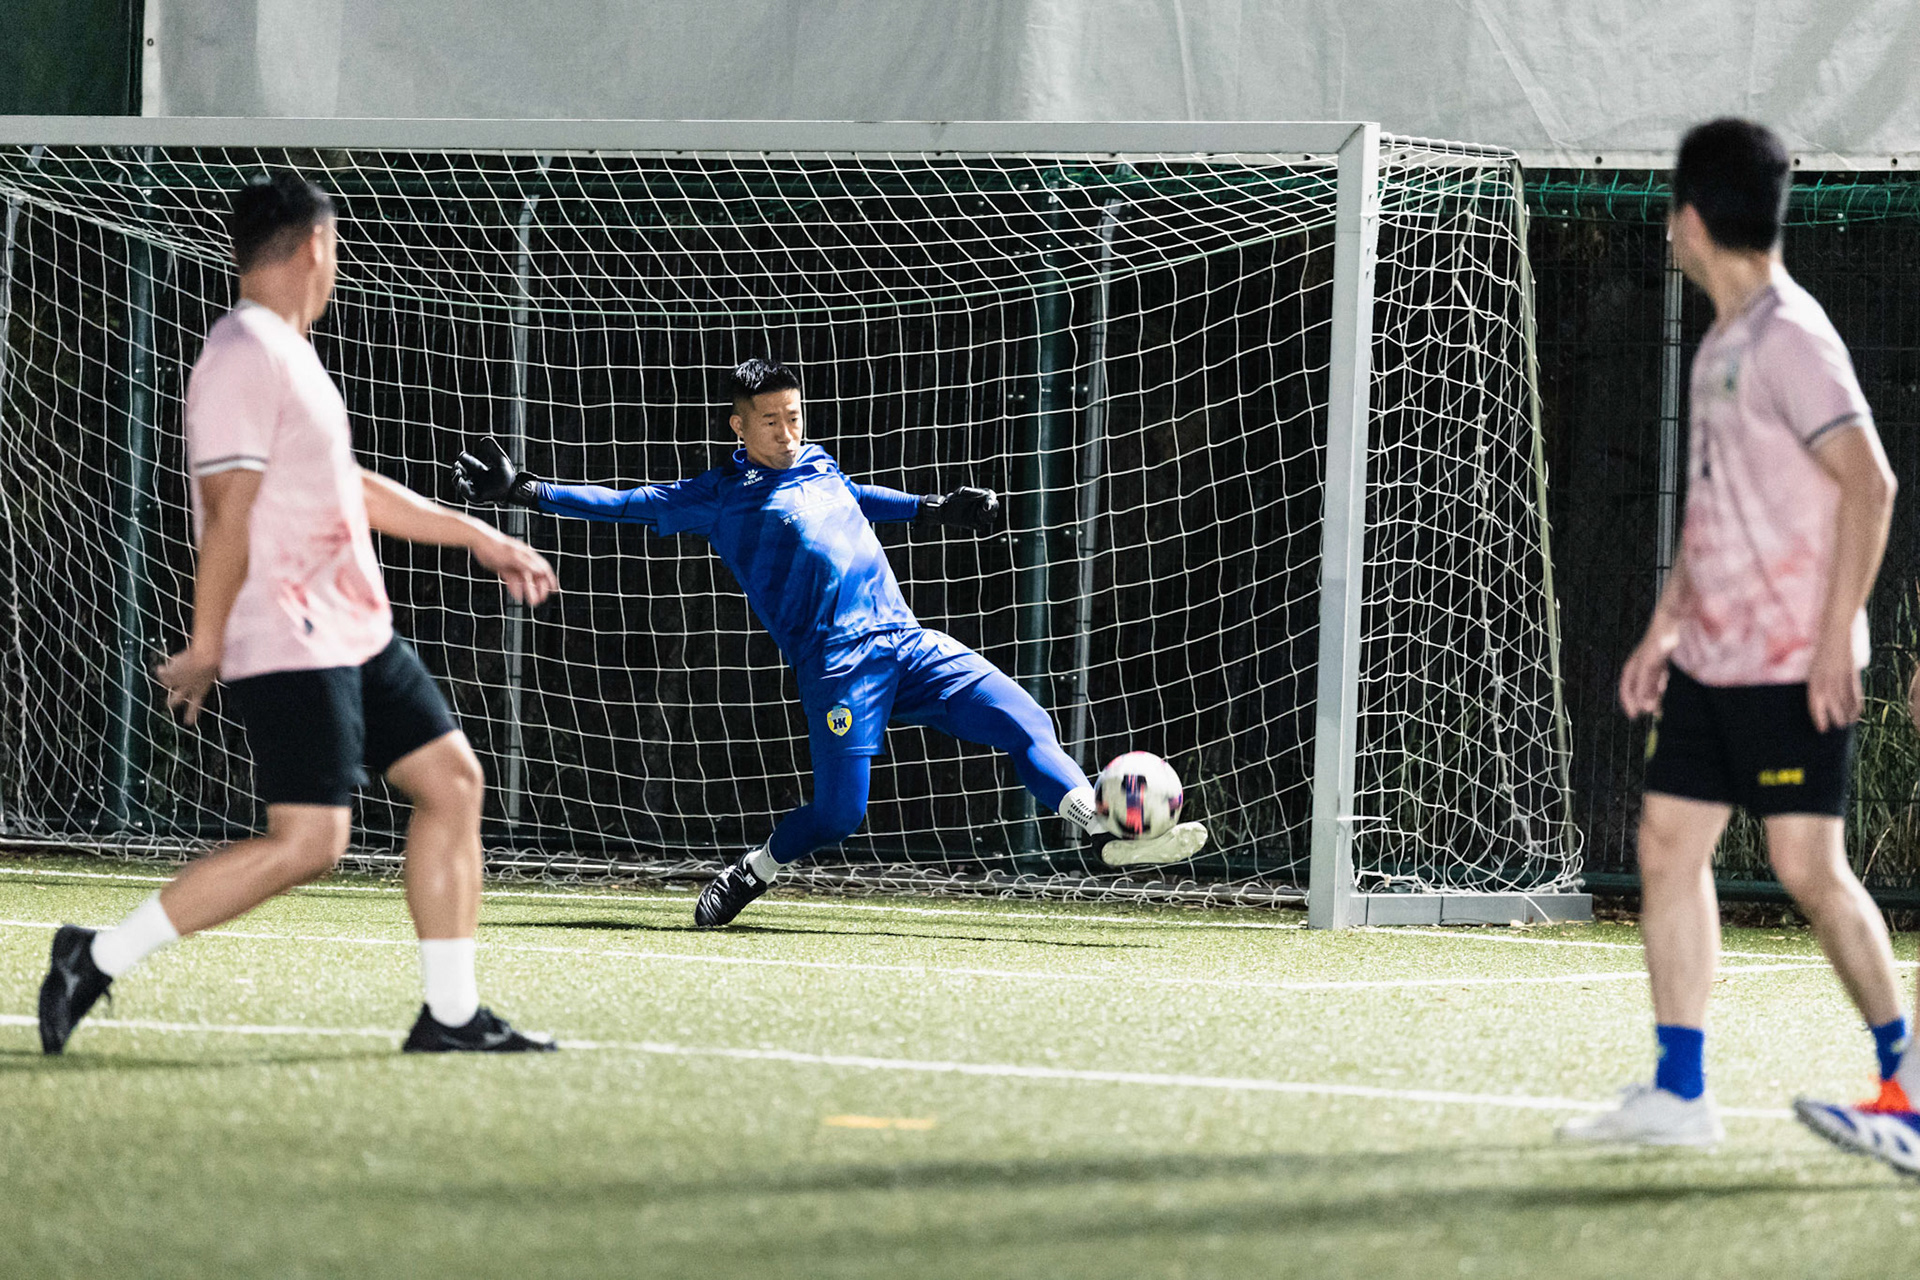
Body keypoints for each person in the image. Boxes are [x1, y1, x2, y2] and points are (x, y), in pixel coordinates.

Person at [36, 172, 560, 1055]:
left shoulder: (288, 350)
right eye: (337, 247)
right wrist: (208, 642)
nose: (337, 262)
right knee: (311, 841)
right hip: (287, 630)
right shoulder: (244, 351)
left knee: (452, 784)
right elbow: (230, 509)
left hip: (353, 625)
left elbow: (344, 488)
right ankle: (98, 954)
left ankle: (453, 1015)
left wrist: (475, 534)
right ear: (316, 245)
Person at [451, 357, 1208, 928]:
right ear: (739, 427)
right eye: (772, 420)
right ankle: (755, 869)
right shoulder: (718, 496)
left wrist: (935, 509)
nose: (790, 431)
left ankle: (1104, 827)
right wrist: (527, 491)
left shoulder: (817, 462)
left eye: (795, 415)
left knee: (1023, 721)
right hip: (839, 669)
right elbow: (623, 504)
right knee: (840, 815)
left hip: (906, 644)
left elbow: (856, 494)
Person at [1559, 119, 1903, 1146]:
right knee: (1667, 844)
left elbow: (1871, 484)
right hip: (1713, 662)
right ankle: (1680, 1092)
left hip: (1792, 664)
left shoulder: (1794, 338)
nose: (1668, 229)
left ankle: (1910, 1083)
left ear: (1694, 220)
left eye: (1673, 210)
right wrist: (1665, 628)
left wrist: (1838, 629)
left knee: (1807, 868)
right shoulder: (1723, 343)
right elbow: (1713, 511)